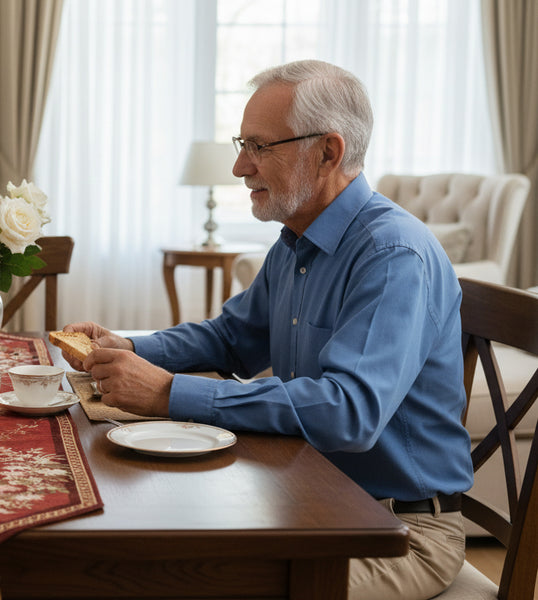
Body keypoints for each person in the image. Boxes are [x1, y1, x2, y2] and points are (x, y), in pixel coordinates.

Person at [59, 60, 472, 600]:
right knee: (144, 556)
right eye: (242, 143)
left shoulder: (392, 256)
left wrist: (166, 393)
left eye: (259, 146)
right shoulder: (296, 240)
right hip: (310, 498)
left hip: (395, 531)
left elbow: (349, 412)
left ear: (328, 151)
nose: (238, 167)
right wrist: (129, 346)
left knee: (188, 581)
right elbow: (231, 338)